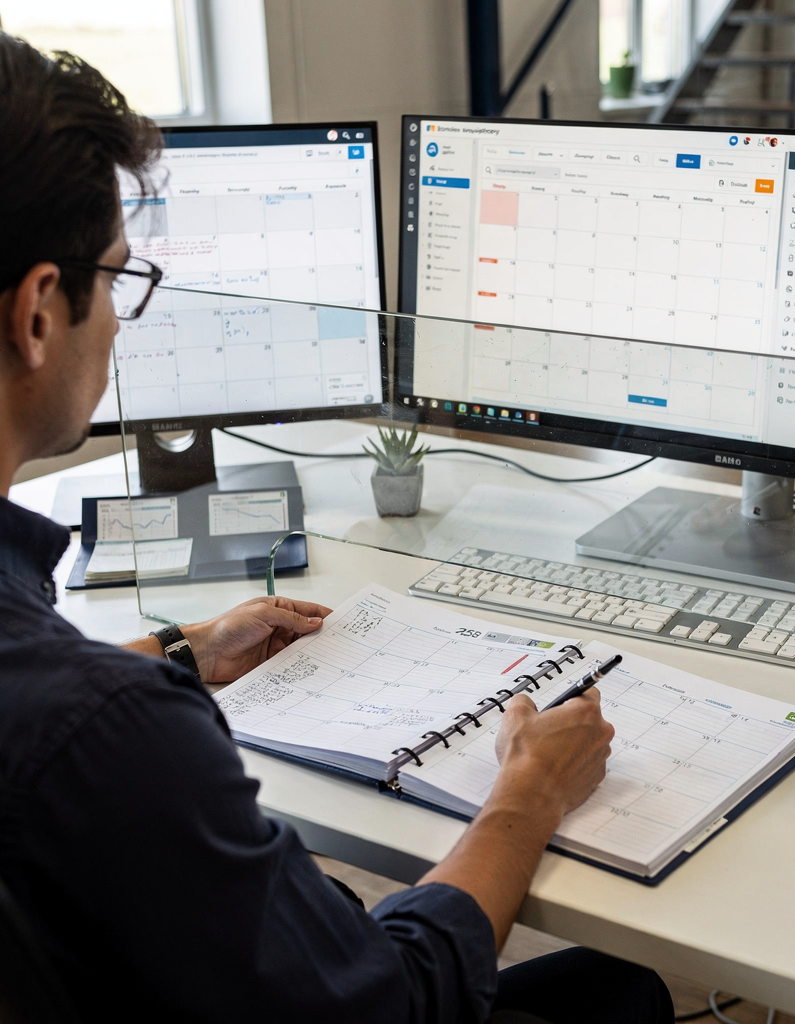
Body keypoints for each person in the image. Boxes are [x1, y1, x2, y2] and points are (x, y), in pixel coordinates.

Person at [0, 34, 675, 1024]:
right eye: (118, 279)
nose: (118, 318)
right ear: (37, 315)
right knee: (622, 996)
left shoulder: (72, 698)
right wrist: (527, 795)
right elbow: (393, 1001)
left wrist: (180, 652)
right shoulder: (113, 732)